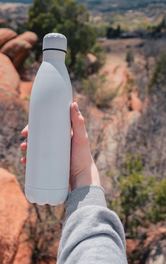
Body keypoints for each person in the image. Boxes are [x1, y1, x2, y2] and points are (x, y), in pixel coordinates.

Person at [20, 102, 128, 264]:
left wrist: (82, 172)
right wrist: (82, 172)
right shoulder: (99, 252)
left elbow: (96, 248)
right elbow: (96, 243)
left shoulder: (97, 254)